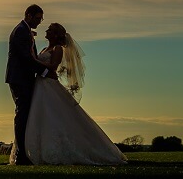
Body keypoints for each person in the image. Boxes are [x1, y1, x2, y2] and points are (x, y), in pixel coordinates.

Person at [23, 22, 126, 165]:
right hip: (40, 85)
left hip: (49, 85)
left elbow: (53, 67)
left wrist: (35, 62)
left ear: (56, 35)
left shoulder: (58, 49)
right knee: (40, 115)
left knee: (53, 115)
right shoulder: (45, 49)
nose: (46, 31)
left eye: (50, 30)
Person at [5, 4, 44, 165]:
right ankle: (21, 155)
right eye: (37, 18)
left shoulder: (25, 30)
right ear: (28, 15)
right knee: (22, 114)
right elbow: (26, 58)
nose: (39, 22)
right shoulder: (21, 31)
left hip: (23, 78)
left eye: (41, 19)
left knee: (25, 114)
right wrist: (45, 71)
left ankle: (23, 153)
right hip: (20, 79)